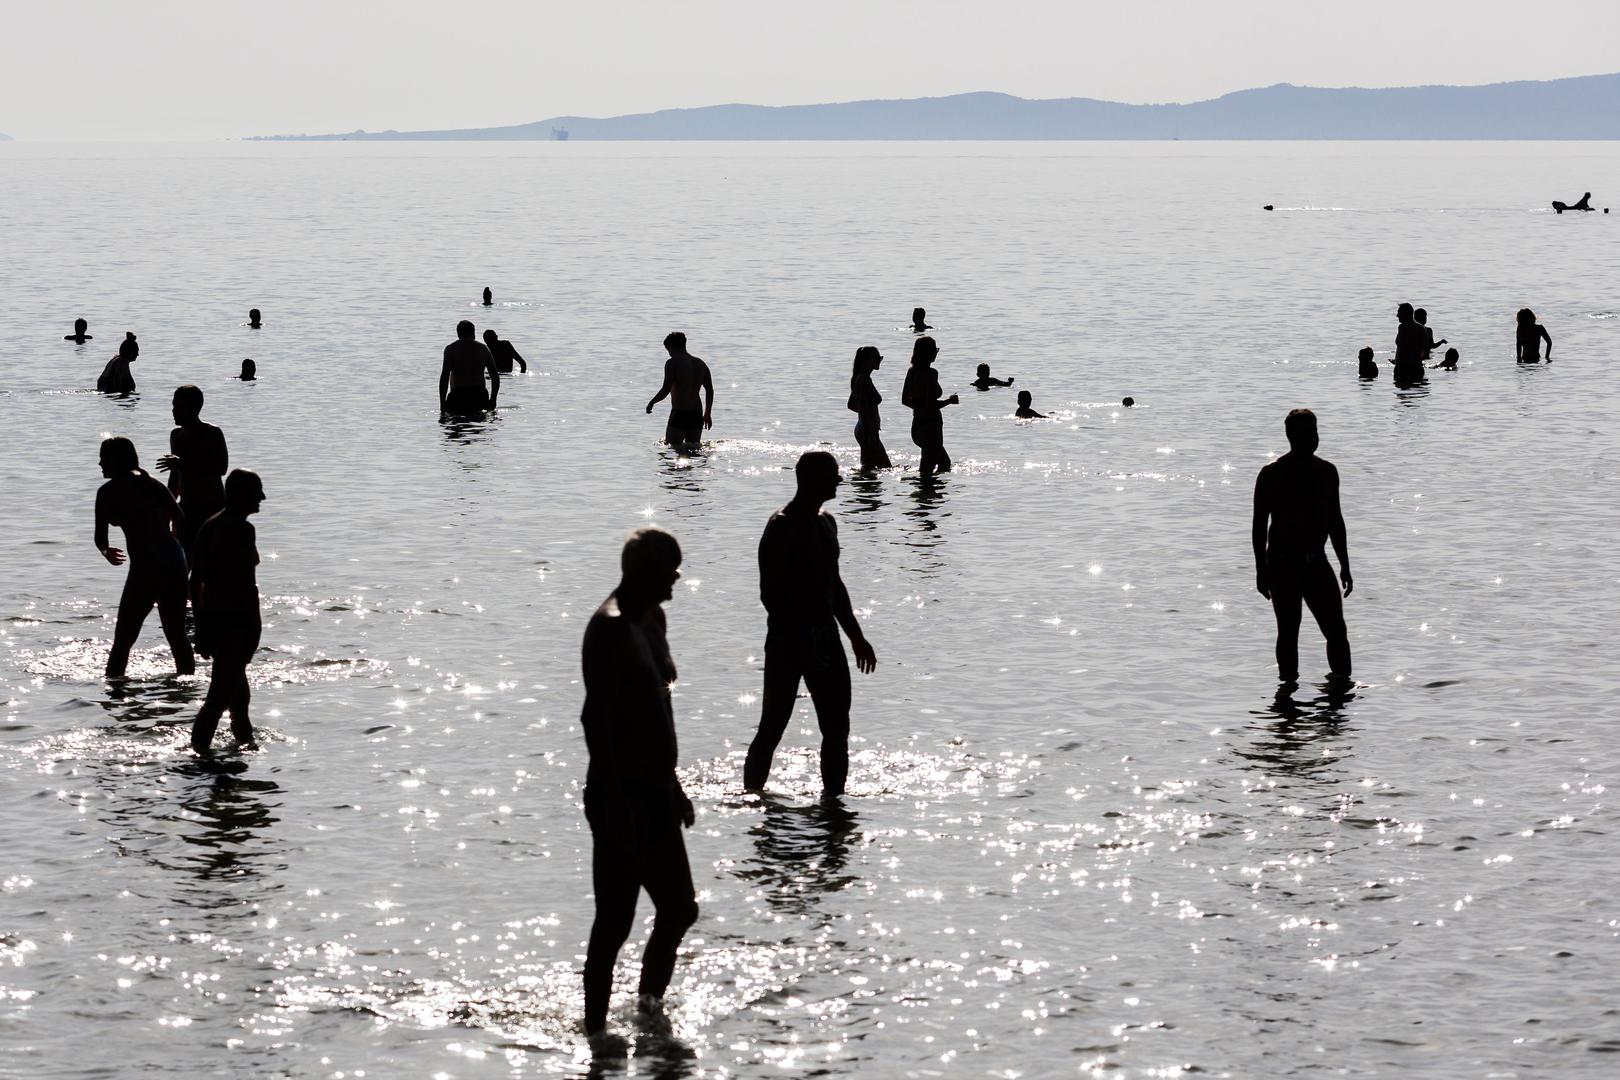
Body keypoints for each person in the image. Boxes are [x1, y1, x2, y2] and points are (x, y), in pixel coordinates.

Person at [578, 527, 698, 1039]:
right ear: (644, 573)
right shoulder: (611, 628)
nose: (676, 581)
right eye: (670, 572)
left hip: (655, 789)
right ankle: (597, 1035)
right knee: (614, 924)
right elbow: (595, 720)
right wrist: (614, 803)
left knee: (678, 909)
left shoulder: (654, 618)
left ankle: (648, 1013)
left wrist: (673, 785)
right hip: (620, 793)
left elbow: (657, 709)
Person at [744, 451, 878, 797]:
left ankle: (833, 810)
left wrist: (857, 638)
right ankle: (751, 801)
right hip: (788, 641)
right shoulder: (782, 526)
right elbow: (769, 594)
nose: (840, 480)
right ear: (811, 479)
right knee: (772, 726)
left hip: (827, 639)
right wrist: (803, 636)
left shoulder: (827, 522)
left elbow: (834, 585)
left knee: (837, 730)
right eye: (833, 474)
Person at [1252, 409, 1352, 685]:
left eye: (1315, 431)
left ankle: (1341, 690)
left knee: (1336, 630)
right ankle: (1287, 690)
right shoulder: (1271, 474)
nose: (1312, 438)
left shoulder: (1327, 472)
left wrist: (1344, 564)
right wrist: (1261, 569)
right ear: (1290, 436)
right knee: (1288, 629)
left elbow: (1336, 521)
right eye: (1305, 432)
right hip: (1282, 563)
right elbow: (1259, 526)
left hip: (1317, 561)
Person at [94, 436, 194, 679]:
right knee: (176, 634)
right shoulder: (153, 484)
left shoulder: (107, 492)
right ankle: (187, 688)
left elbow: (100, 537)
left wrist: (107, 552)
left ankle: (115, 695)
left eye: (103, 459)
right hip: (173, 560)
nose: (99, 464)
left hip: (146, 564)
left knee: (124, 638)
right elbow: (180, 519)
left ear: (116, 461)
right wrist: (175, 549)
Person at [190, 469, 266, 753]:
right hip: (237, 624)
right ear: (240, 494)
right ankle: (198, 756)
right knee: (217, 700)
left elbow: (195, 581)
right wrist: (251, 630)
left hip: (216, 621)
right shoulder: (241, 529)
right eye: (257, 490)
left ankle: (245, 745)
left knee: (238, 700)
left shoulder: (209, 525)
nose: (262, 496)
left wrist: (201, 626)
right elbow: (244, 585)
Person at [156, 385, 229, 562]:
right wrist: (167, 509)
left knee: (212, 563)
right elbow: (175, 479)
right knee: (180, 561)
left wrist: (183, 463)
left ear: (194, 409)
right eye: (173, 406)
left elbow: (221, 467)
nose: (174, 411)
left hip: (212, 508)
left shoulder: (212, 432)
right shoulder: (176, 436)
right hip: (186, 509)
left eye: (179, 407)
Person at [901, 336, 957, 478]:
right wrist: (949, 401)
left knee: (943, 463)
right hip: (931, 427)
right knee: (927, 470)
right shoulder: (931, 373)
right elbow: (931, 405)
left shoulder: (911, 371)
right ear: (929, 353)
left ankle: (928, 495)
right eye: (935, 350)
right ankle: (926, 496)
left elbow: (904, 400)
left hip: (917, 426)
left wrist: (919, 407)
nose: (936, 353)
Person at [645, 332, 713, 449]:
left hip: (680, 412)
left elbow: (666, 389)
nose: (669, 353)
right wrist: (707, 413)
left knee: (672, 449)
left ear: (672, 347)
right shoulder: (701, 363)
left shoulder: (672, 363)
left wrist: (652, 402)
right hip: (697, 413)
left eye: (668, 350)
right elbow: (709, 390)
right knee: (693, 449)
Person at [439, 320, 500, 414]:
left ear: (458, 334)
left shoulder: (451, 349)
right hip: (479, 395)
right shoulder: (483, 348)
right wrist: (493, 400)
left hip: (458, 396)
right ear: (473, 332)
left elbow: (444, 377)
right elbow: (495, 377)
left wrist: (442, 403)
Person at [848, 345, 891, 470]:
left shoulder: (859, 377)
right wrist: (870, 427)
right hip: (868, 430)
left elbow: (851, 405)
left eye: (880, 358)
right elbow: (860, 406)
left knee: (868, 469)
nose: (878, 361)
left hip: (864, 428)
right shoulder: (864, 380)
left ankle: (862, 488)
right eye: (875, 358)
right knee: (886, 467)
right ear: (866, 360)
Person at [1392, 303, 1426, 385]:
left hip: (1403, 368)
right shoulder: (1421, 328)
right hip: (1417, 367)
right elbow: (1424, 349)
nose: (1397, 315)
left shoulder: (1402, 327)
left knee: (1402, 391)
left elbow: (1401, 348)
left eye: (1399, 313)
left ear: (1405, 314)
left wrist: (1397, 364)